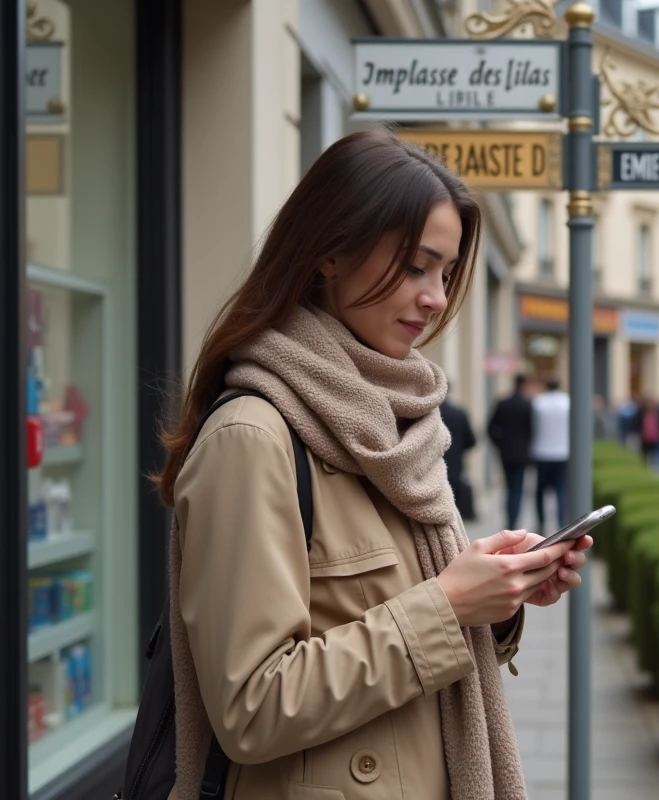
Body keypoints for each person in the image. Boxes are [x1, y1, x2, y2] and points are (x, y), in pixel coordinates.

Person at [149, 131, 590, 799]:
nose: (438, 298)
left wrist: (493, 599)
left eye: (444, 274)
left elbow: (392, 637)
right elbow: (251, 708)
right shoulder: (253, 437)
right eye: (416, 266)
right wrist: (447, 606)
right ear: (329, 251)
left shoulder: (396, 426)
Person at [488, 373, 534, 531]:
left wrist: (500, 444)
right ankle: (513, 523)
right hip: (522, 455)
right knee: (517, 489)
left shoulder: (503, 403)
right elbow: (533, 431)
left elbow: (490, 428)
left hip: (506, 454)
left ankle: (510, 521)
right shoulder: (528, 405)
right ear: (525, 384)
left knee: (509, 488)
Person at [532, 375, 570, 531]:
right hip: (562, 452)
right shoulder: (567, 402)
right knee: (561, 490)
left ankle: (541, 523)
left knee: (540, 492)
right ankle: (561, 522)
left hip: (542, 452)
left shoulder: (538, 402)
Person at [440, 384, 477, 520]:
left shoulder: (424, 413)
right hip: (455, 465)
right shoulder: (459, 413)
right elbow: (471, 441)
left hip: (432, 467)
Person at [635, 396, 659, 469]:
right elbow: (637, 423)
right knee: (645, 453)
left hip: (657, 435)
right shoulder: (641, 412)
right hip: (645, 436)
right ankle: (645, 467)